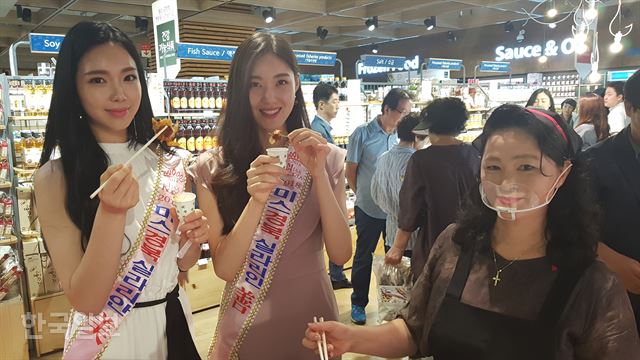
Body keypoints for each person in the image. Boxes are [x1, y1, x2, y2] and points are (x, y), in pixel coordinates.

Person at [302, 104, 640, 359]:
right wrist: (351, 338)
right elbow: (413, 330)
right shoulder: (455, 245)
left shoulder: (593, 284)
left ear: (563, 175)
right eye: (494, 167)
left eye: (526, 167)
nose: (508, 182)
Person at [34, 22, 206, 359]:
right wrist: (111, 213)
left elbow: (181, 265)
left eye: (129, 77)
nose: (120, 94)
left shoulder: (170, 162)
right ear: (74, 89)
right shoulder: (54, 177)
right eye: (98, 80)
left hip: (173, 322)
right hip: (107, 339)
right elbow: (87, 300)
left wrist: (194, 238)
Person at [188, 33, 351, 359]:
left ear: (297, 84)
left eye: (280, 82)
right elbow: (225, 268)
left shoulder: (328, 157)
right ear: (238, 89)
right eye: (254, 84)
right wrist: (258, 199)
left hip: (313, 320)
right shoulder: (212, 168)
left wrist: (317, 174)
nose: (269, 97)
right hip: (248, 323)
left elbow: (341, 253)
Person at [386, 98, 480, 278]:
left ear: (430, 126)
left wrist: (398, 247)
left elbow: (410, 207)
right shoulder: (473, 154)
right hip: (473, 241)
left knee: (432, 293)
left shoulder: (421, 160)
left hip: (435, 240)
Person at [346, 88, 411, 325]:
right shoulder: (362, 134)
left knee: (395, 260)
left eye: (407, 113)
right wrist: (362, 194)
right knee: (363, 256)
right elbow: (350, 170)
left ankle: (392, 306)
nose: (404, 117)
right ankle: (358, 303)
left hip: (395, 214)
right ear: (386, 109)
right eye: (402, 112)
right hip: (368, 209)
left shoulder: (402, 137)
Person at [584, 69, 640, 332]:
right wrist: (605, 256)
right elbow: (571, 220)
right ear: (629, 108)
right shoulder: (595, 161)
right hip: (619, 294)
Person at [310, 82, 351, 290]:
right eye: (334, 102)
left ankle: (336, 274)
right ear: (321, 105)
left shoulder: (321, 128)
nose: (338, 106)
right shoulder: (317, 132)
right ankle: (336, 275)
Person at [370, 113, 426, 261]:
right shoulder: (417, 162)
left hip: (391, 235)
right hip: (415, 238)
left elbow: (375, 194)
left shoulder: (383, 158)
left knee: (395, 283)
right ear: (417, 137)